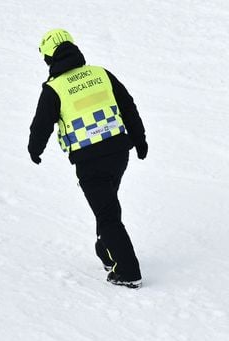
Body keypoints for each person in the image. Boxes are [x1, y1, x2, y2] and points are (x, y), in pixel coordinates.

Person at [28, 29, 147, 289]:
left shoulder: (54, 88)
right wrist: (139, 140)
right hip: (118, 153)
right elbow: (128, 105)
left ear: (49, 58)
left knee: (107, 214)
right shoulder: (100, 74)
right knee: (107, 205)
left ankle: (128, 270)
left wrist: (34, 149)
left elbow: (41, 124)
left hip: (90, 160)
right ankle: (106, 250)